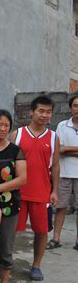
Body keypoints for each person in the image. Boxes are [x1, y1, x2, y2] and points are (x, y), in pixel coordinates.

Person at [10, 95, 60, 281]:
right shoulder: (18, 134)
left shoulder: (54, 137)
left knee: (41, 231)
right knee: (10, 230)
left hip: (42, 193)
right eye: (41, 111)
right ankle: (5, 261)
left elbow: (55, 166)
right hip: (18, 192)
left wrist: (54, 190)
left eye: (48, 112)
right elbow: (9, 162)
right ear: (32, 111)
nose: (44, 115)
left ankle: (36, 265)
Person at [0, 109, 27, 283]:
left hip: (9, 206)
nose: (3, 128)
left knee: (5, 246)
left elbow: (22, 179)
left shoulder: (15, 150)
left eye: (6, 125)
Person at [49, 91, 78, 250]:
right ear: (70, 107)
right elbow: (58, 149)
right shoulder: (62, 125)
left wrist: (68, 149)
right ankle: (56, 238)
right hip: (64, 173)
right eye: (75, 105)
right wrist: (64, 149)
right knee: (60, 207)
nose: (77, 109)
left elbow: (64, 149)